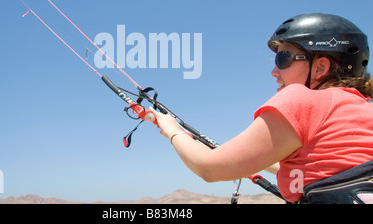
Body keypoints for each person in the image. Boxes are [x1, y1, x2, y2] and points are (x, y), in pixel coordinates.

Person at [150, 13, 373, 204]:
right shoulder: (361, 109)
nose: (274, 72)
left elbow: (208, 168)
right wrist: (255, 162)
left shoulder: (302, 100)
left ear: (321, 67)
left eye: (283, 58)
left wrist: (171, 129)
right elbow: (324, 169)